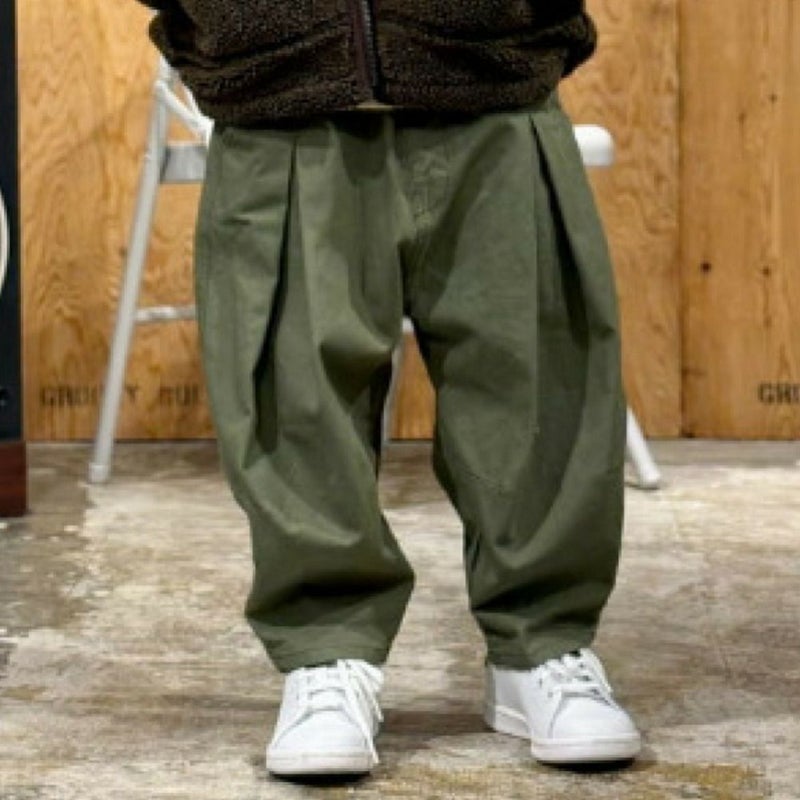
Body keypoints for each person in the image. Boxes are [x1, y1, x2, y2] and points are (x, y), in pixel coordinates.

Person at [135, 0, 642, 777]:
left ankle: (542, 647)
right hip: (282, 93)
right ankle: (326, 653)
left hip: (491, 74)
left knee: (537, 382)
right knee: (294, 396)